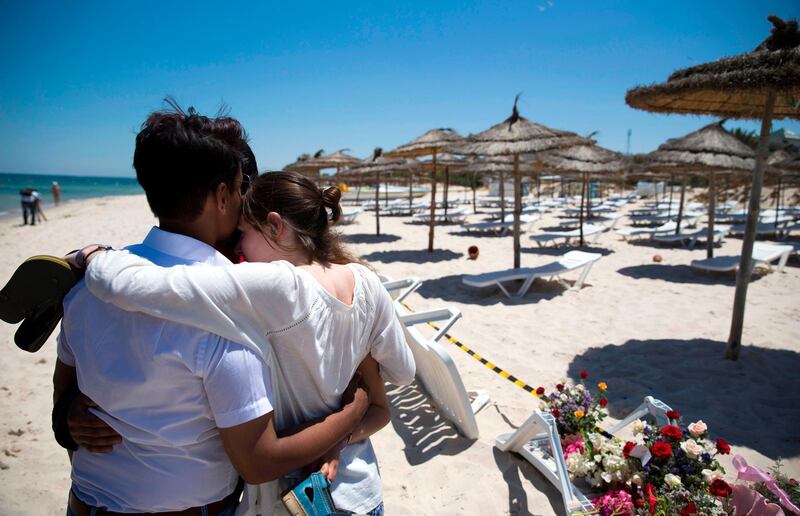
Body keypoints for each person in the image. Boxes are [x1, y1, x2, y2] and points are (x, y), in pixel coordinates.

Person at [54, 106, 373, 515]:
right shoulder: (230, 312)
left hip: (84, 502)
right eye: (241, 189)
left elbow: (64, 382)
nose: (245, 202)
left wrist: (65, 414)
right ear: (223, 196)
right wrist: (355, 410)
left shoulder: (86, 289)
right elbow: (257, 461)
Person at [78, 171, 415, 516]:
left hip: (294, 502)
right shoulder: (366, 282)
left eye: (244, 232)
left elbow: (145, 287)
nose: (238, 246)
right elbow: (404, 373)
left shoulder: (279, 286)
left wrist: (92, 257)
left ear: (275, 226)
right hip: (362, 494)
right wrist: (349, 405)